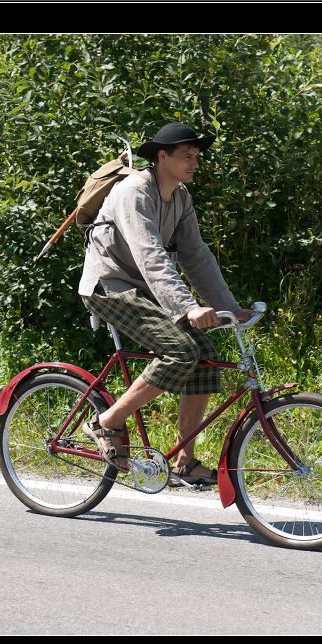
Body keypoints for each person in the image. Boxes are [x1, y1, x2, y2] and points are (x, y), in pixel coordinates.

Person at [78, 122, 254, 486]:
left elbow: (196, 256)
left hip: (145, 288)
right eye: (186, 156)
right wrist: (188, 308)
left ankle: (183, 463)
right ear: (162, 156)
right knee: (179, 351)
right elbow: (150, 255)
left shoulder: (181, 197)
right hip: (109, 286)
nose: (194, 163)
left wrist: (228, 306)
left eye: (197, 156)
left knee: (203, 358)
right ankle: (106, 421)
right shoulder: (133, 192)